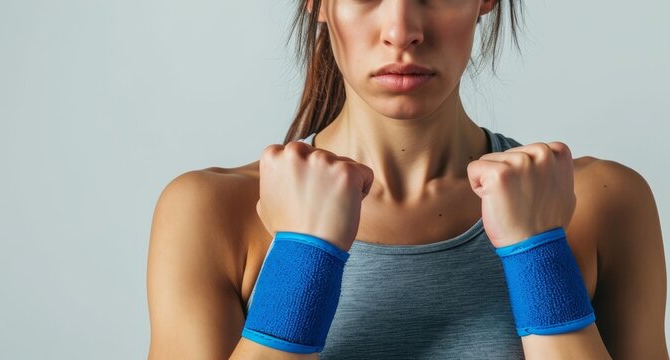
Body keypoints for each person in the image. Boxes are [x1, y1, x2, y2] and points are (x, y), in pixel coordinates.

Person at [147, 0, 667, 359]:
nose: (402, 30)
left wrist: (539, 255)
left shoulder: (600, 202)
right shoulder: (212, 212)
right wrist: (303, 257)